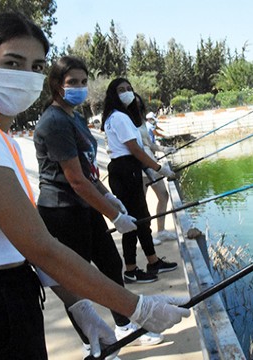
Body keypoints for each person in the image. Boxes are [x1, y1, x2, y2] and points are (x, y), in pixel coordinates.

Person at [0, 12, 189, 360]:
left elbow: (21, 245)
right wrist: (137, 308)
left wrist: (78, 305)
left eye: (36, 66)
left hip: (12, 293)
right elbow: (40, 246)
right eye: (12, 63)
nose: (26, 76)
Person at [33, 56, 165, 350]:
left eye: (83, 81)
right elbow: (75, 180)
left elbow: (88, 170)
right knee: (75, 281)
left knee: (110, 264)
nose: (79, 88)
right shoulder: (54, 122)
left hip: (86, 205)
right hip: (62, 211)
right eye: (72, 83)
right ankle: (92, 344)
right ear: (56, 86)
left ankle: (124, 327)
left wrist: (106, 196)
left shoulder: (75, 117)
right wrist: (115, 217)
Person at [100, 78, 177, 284]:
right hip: (126, 170)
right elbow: (135, 149)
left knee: (142, 219)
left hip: (128, 169)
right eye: (121, 90)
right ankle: (131, 270)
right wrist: (160, 168)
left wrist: (152, 170)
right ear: (112, 95)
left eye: (129, 89)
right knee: (133, 222)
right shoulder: (118, 118)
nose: (127, 92)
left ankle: (153, 262)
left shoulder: (119, 116)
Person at [131, 93, 178, 244]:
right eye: (133, 103)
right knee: (141, 204)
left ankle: (162, 231)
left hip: (153, 164)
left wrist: (164, 149)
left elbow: (149, 145)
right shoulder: (126, 122)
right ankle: (146, 236)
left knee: (163, 196)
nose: (136, 106)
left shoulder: (142, 121)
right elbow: (136, 149)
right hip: (141, 168)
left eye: (138, 103)